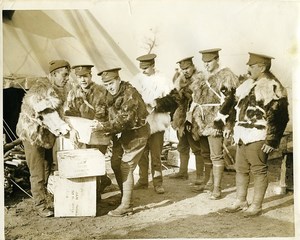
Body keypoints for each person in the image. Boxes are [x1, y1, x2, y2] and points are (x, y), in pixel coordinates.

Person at [223, 52, 289, 217]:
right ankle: (241, 200)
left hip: (258, 134)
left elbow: (280, 117)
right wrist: (230, 126)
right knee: (241, 168)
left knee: (258, 170)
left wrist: (272, 140)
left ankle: (256, 205)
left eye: (252, 66)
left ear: (263, 67)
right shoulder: (246, 85)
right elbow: (235, 109)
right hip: (242, 134)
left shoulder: (272, 86)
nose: (248, 69)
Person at [91, 67, 150, 217]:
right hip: (121, 135)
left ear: (118, 80)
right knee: (115, 164)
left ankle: (127, 206)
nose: (109, 87)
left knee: (126, 166)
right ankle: (125, 197)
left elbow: (125, 119)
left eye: (111, 83)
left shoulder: (130, 93)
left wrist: (103, 126)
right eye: (106, 84)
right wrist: (96, 121)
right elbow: (102, 111)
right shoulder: (107, 94)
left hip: (136, 133)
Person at [16, 60, 71, 217]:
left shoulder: (59, 89)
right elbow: (46, 111)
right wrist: (61, 127)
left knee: (47, 168)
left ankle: (46, 200)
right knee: (37, 172)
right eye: (64, 75)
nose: (67, 78)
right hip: (32, 135)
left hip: (46, 136)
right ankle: (40, 205)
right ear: (54, 74)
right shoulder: (40, 88)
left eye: (68, 75)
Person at [189, 48, 239, 200]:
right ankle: (209, 182)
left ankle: (217, 188)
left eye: (209, 62)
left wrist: (227, 123)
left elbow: (231, 101)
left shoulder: (226, 75)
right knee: (205, 153)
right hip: (200, 120)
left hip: (216, 120)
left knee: (216, 155)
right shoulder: (200, 77)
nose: (206, 65)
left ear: (217, 59)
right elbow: (195, 99)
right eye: (204, 63)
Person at [155, 57, 211, 186]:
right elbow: (176, 99)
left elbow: (199, 99)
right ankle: (183, 172)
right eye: (182, 69)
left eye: (186, 68)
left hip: (195, 118)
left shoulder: (200, 80)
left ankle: (200, 176)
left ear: (193, 66)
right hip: (182, 118)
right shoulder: (180, 81)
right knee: (182, 146)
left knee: (197, 148)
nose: (185, 71)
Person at [65, 64, 112, 193]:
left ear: (90, 76)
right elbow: (70, 114)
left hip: (98, 133)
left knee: (95, 161)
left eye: (85, 76)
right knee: (85, 163)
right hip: (81, 133)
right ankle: (101, 182)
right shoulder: (73, 93)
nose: (83, 80)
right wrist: (72, 130)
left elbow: (102, 113)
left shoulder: (101, 91)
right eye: (79, 77)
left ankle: (96, 194)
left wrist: (95, 124)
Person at [131, 53, 171, 194]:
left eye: (146, 68)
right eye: (142, 68)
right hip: (142, 122)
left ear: (153, 66)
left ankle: (158, 183)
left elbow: (172, 101)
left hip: (157, 122)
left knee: (156, 155)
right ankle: (143, 180)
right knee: (142, 153)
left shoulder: (163, 80)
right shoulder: (136, 81)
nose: (143, 70)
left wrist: (156, 103)